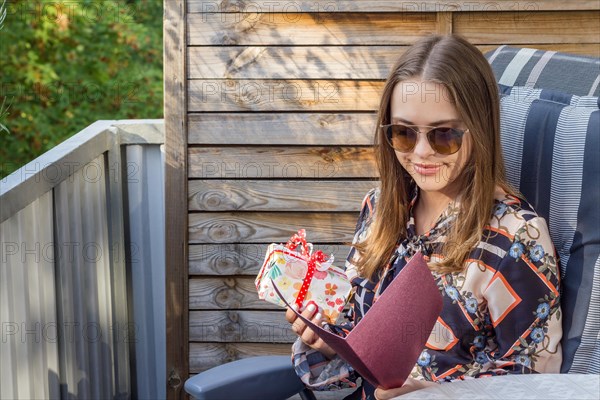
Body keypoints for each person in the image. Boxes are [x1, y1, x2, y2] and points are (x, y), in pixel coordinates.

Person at [285, 34, 562, 400]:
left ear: (479, 129)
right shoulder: (380, 206)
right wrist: (327, 341)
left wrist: (433, 393)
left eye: (444, 134)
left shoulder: (516, 236)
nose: (421, 152)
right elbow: (358, 335)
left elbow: (534, 380)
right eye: (403, 133)